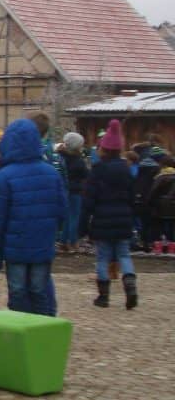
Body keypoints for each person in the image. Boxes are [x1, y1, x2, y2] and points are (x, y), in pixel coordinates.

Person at [0, 119, 66, 316]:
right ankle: (45, 330)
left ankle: (20, 333)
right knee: (40, 291)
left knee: (18, 292)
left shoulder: (5, 176)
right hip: (42, 244)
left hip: (15, 248)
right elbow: (62, 210)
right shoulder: (50, 173)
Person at [80, 120, 138, 309]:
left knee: (103, 257)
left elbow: (88, 200)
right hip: (123, 219)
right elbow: (132, 197)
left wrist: (83, 224)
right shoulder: (126, 170)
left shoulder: (97, 171)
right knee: (124, 255)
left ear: (103, 149)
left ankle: (103, 296)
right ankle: (130, 286)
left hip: (102, 219)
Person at [58, 132, 89, 253]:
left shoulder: (61, 157)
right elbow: (86, 174)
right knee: (74, 217)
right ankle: (73, 242)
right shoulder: (77, 160)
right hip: (75, 190)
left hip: (63, 189)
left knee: (67, 217)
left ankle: (63, 241)